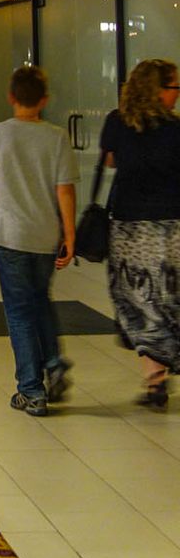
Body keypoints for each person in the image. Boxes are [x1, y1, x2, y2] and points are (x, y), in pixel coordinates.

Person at [0, 64, 77, 417]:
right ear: (45, 101)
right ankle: (52, 360)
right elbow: (64, 191)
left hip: (9, 236)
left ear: (11, 98)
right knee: (40, 299)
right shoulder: (56, 137)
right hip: (44, 236)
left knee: (19, 312)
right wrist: (70, 234)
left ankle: (31, 389)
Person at [100, 57, 180, 407]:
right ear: (158, 90)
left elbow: (110, 162)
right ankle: (158, 374)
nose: (177, 94)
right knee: (167, 297)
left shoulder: (116, 123)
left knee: (138, 298)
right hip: (170, 224)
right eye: (174, 87)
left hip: (129, 225)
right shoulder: (176, 129)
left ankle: (154, 377)